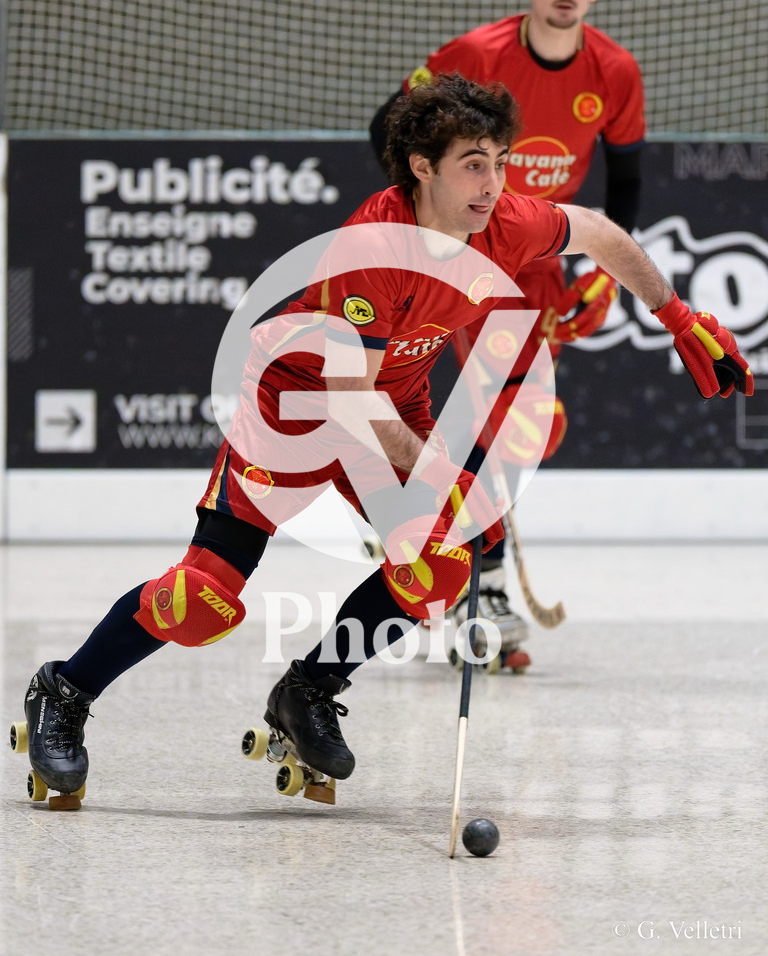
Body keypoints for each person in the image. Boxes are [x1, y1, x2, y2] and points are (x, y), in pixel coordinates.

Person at [17, 74, 752, 804]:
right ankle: (65, 689)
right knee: (204, 596)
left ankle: (307, 691)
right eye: (473, 163)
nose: (493, 182)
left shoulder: (503, 221)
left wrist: (678, 318)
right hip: (295, 411)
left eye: (500, 160)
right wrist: (443, 473)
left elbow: (598, 232)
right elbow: (349, 402)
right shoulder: (374, 247)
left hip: (390, 403)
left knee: (438, 565)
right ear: (421, 167)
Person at [370, 0, 645, 659]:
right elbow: (385, 127)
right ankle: (471, 571)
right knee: (454, 402)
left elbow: (626, 187)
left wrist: (599, 276)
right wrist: (424, 222)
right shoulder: (478, 55)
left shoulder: (614, 71)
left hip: (535, 250)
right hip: (459, 246)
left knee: (528, 421)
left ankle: (457, 552)